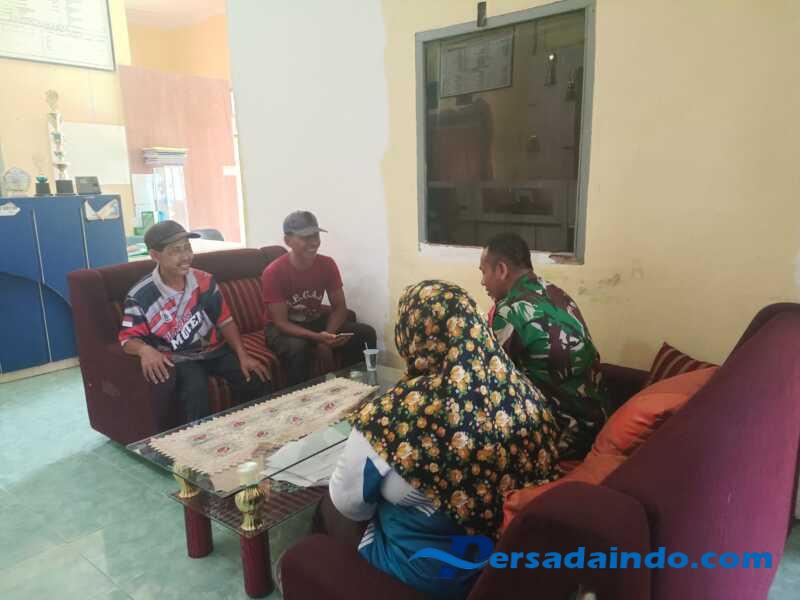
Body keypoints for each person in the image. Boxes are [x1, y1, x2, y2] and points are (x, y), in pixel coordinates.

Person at [322, 280, 561, 598]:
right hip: (503, 565)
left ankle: (324, 575)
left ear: (411, 335)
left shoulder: (394, 414)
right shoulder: (525, 392)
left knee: (328, 506)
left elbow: (349, 504)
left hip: (429, 575)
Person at [119, 220, 269, 423]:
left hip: (215, 350)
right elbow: (128, 340)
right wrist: (144, 350)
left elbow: (225, 321)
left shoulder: (204, 280)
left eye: (187, 248)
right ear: (155, 255)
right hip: (178, 358)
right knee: (196, 391)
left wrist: (243, 355)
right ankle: (200, 440)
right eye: (176, 250)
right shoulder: (141, 295)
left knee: (255, 378)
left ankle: (252, 429)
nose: (186, 256)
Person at [479, 232, 608, 459]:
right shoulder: (557, 293)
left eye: (483, 272)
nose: (482, 282)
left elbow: (487, 380)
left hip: (565, 435)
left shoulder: (509, 310)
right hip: (597, 421)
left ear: (501, 270)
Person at [261, 211, 376, 386]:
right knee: (298, 348)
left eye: (315, 235)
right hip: (282, 329)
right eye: (305, 237)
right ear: (287, 241)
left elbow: (340, 307)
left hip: (314, 320)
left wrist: (327, 337)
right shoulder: (273, 272)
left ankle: (355, 388)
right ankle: (301, 397)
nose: (314, 242)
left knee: (364, 333)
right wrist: (318, 338)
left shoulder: (327, 264)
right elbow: (281, 322)